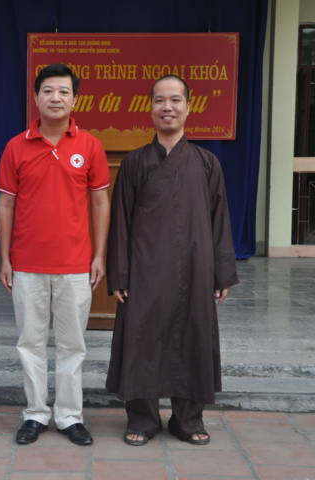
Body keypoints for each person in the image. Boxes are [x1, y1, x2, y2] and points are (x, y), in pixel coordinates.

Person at [105, 75, 238, 447]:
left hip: (195, 267)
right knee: (142, 338)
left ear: (188, 107)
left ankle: (188, 418)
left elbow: (220, 219)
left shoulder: (206, 162)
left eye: (176, 100)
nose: (168, 107)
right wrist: (120, 274)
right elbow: (121, 222)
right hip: (145, 268)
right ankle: (143, 418)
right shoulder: (135, 163)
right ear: (150, 108)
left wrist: (221, 272)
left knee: (193, 337)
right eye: (160, 100)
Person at [0, 64, 110, 446]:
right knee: (29, 343)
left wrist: (99, 255)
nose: (56, 98)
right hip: (26, 264)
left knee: (72, 345)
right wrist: (5, 257)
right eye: (48, 91)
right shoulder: (16, 146)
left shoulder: (90, 146)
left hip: (75, 264)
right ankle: (35, 413)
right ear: (36, 97)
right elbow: (6, 205)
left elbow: (100, 202)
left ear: (75, 99)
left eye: (63, 91)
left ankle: (69, 416)